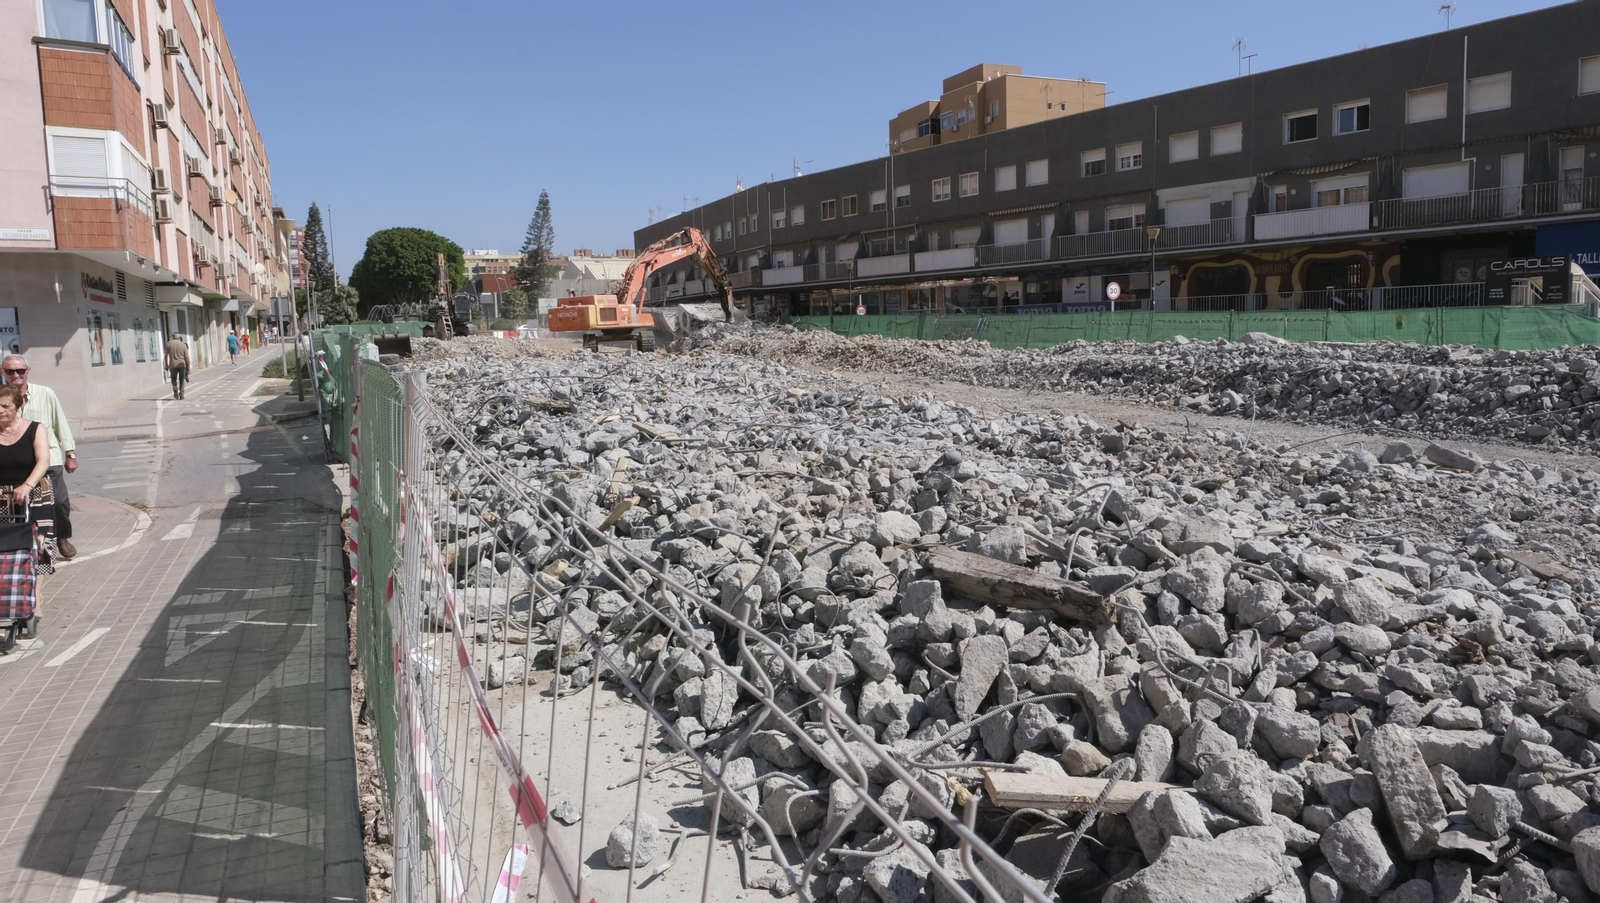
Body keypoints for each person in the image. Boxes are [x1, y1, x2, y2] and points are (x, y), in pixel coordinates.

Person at [3, 355, 78, 560]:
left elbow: (59, 422)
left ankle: (61, 536)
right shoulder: (2, 397)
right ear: (3, 372)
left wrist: (70, 453)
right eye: (10, 371)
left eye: (20, 370)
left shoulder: (46, 393)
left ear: (29, 370)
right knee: (17, 506)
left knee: (60, 502)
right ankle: (23, 547)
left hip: (48, 459)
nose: (16, 374)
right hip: (15, 461)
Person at [0, 384, 56, 637]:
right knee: (6, 549)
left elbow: (43, 460)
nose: (1, 411)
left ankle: (35, 596)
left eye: (5, 407)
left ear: (17, 406)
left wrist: (26, 485)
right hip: (3, 497)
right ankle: (9, 596)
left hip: (33, 492)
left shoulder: (35, 428)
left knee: (39, 546)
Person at [165, 334, 191, 400]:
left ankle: (175, 387)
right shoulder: (183, 345)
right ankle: (181, 395)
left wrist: (166, 364)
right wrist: (188, 367)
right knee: (182, 379)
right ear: (179, 337)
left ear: (173, 337)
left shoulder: (169, 344)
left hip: (173, 365)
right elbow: (187, 357)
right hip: (182, 365)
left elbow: (166, 355)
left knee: (173, 378)